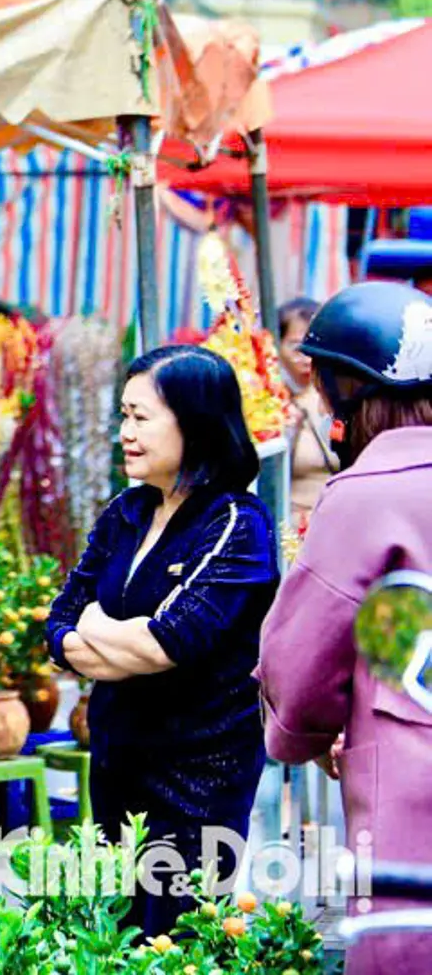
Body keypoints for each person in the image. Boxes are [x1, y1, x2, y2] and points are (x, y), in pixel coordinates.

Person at [45, 345, 278, 940]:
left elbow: (170, 642)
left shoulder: (235, 523)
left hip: (199, 772)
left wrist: (98, 630)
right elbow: (58, 624)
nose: (125, 432)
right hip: (119, 757)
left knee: (176, 936)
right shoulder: (126, 511)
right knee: (114, 931)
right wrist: (113, 639)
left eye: (141, 417)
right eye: (122, 416)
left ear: (195, 424)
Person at [257, 282, 432, 975]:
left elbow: (297, 668)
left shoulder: (366, 498)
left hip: (409, 840)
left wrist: (304, 732)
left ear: (347, 394)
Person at [277, 297, 340, 520]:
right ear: (276, 346)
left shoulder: (335, 399)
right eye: (296, 347)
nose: (305, 358)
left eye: (313, 348)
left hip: (332, 518)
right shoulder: (266, 402)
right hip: (289, 525)